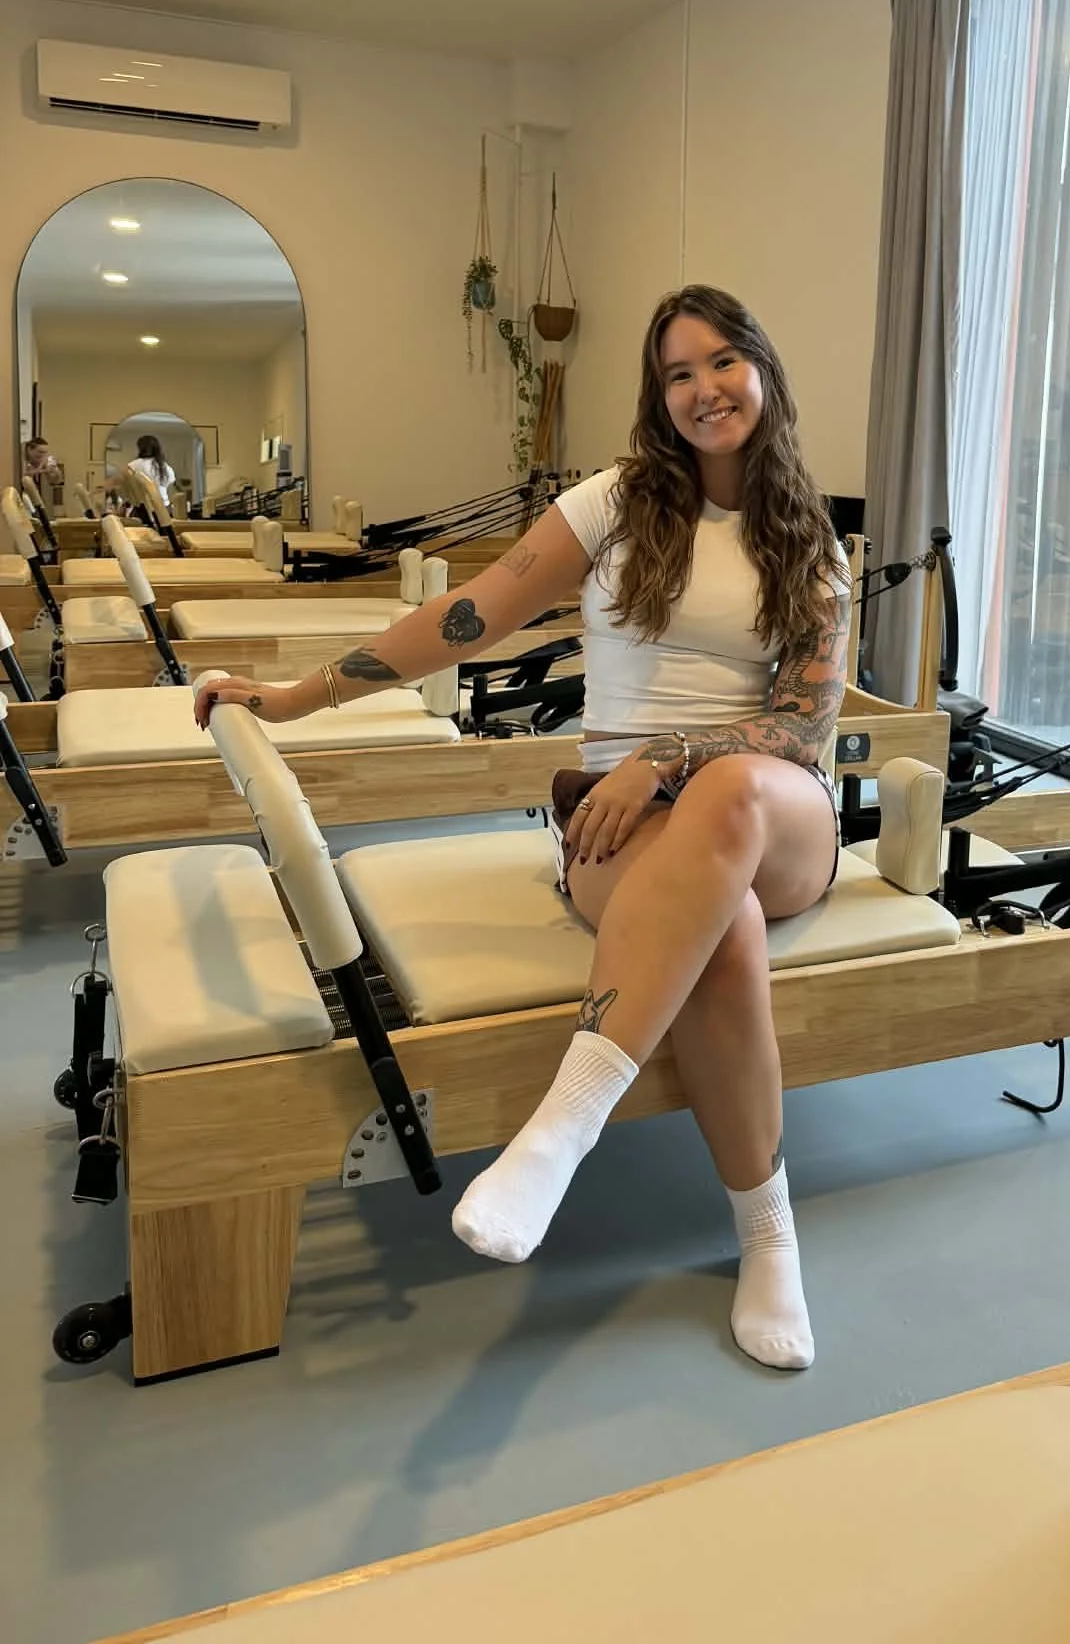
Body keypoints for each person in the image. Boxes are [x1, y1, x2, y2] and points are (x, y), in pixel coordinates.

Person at [196, 286, 849, 1370]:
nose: (703, 389)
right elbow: (467, 617)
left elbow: (802, 722)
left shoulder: (810, 538)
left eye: (723, 361)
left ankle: (563, 1125)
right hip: (621, 824)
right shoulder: (616, 504)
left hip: (774, 807)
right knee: (718, 924)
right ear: (659, 395)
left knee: (729, 794)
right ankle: (768, 1235)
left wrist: (670, 758)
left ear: (764, 371)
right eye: (678, 373)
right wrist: (292, 697)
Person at [127, 434, 175, 507]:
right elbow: (170, 482)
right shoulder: (165, 466)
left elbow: (126, 482)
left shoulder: (134, 465)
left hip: (143, 507)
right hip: (164, 506)